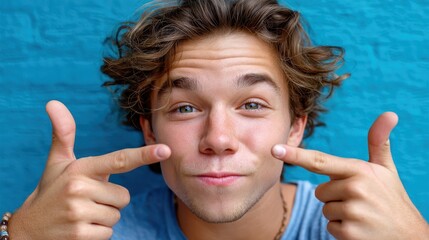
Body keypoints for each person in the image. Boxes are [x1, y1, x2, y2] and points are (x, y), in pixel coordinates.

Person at [4, 0, 428, 239]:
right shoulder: (91, 234)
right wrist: (17, 236)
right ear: (149, 128)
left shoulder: (369, 234)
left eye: (252, 105)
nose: (218, 139)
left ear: (296, 126)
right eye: (185, 107)